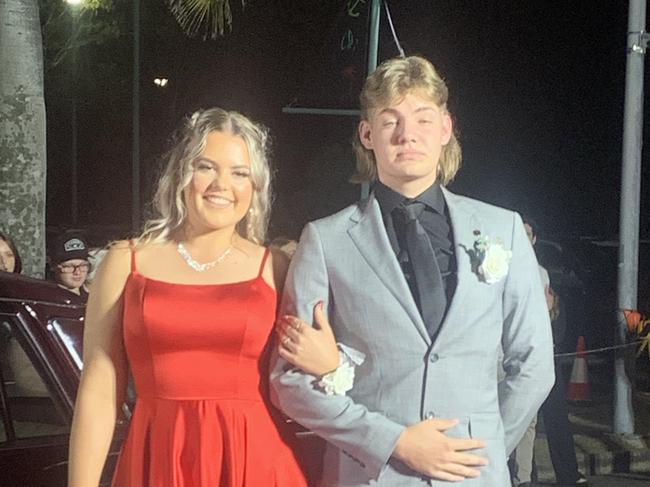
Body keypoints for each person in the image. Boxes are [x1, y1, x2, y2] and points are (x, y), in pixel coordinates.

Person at [271, 55, 555, 486]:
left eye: (423, 119)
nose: (407, 135)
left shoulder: (504, 229)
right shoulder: (325, 241)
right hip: (370, 474)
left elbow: (535, 364)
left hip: (472, 473)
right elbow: (289, 381)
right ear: (367, 134)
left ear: (445, 128)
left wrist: (482, 444)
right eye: (390, 121)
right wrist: (392, 442)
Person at [68, 108, 307, 487]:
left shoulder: (275, 267)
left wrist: (330, 364)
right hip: (155, 461)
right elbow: (99, 390)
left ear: (255, 186)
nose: (221, 184)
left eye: (239, 173)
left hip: (255, 463)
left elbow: (308, 370)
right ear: (181, 174)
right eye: (206, 167)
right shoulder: (125, 262)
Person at [522, 218, 587, 487]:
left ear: (535, 238)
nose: (524, 238)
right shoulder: (500, 270)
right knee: (523, 424)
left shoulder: (541, 273)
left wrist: (552, 307)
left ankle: (568, 475)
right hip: (516, 358)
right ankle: (524, 476)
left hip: (544, 356)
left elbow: (552, 315)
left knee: (556, 417)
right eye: (520, 233)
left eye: (528, 233)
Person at [49, 233, 91, 302]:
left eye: (83, 265)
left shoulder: (94, 301)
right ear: (53, 266)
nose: (77, 272)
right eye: (69, 266)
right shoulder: (46, 301)